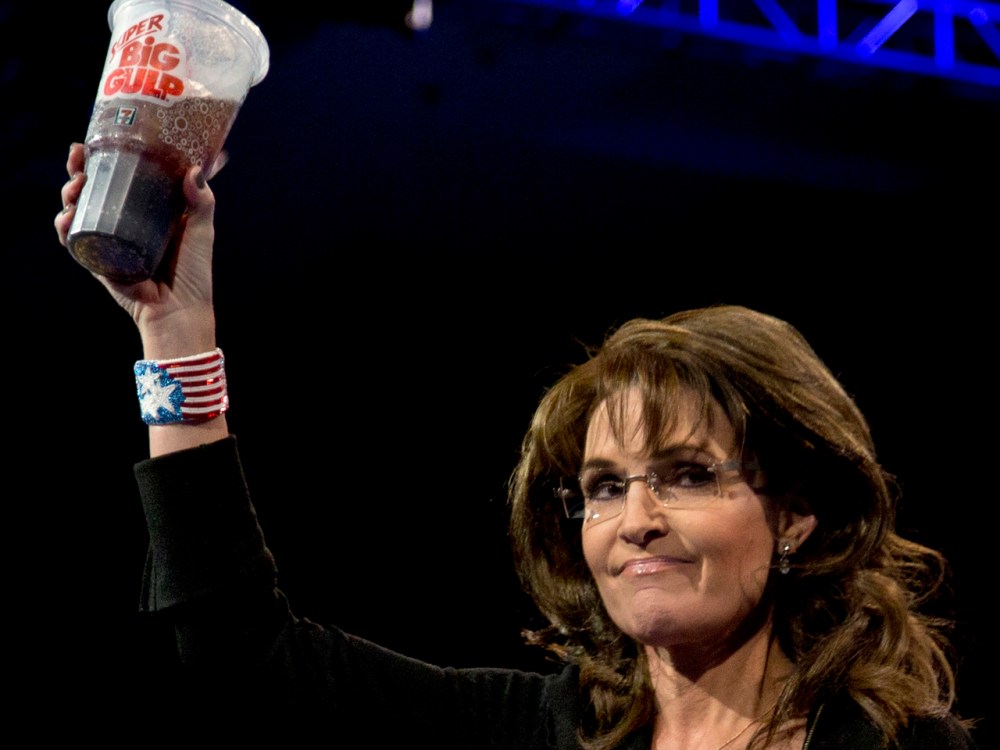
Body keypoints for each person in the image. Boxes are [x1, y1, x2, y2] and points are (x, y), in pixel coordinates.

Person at [55, 142, 978, 749]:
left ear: (797, 514)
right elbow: (239, 647)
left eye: (688, 476)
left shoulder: (898, 746)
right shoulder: (540, 730)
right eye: (605, 488)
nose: (638, 523)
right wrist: (176, 333)